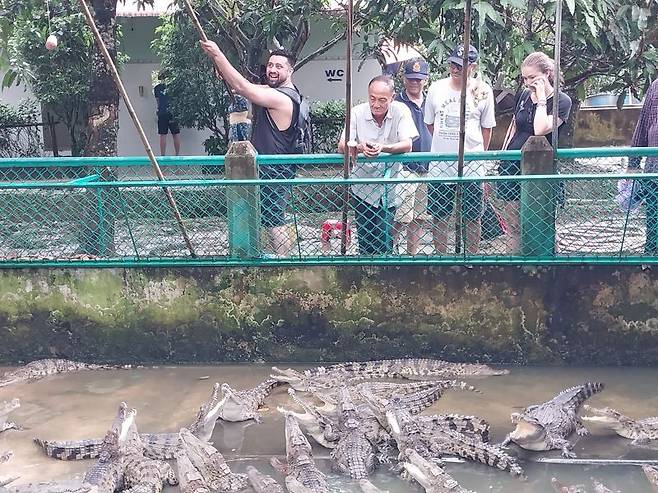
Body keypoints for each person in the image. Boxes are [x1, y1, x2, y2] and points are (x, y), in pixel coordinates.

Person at [200, 42, 303, 256]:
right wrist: (225, 72)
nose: (272, 70)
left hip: (275, 168)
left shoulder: (282, 97)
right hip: (270, 167)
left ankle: (285, 263)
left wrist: (219, 54)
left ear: (290, 70)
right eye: (270, 65)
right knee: (268, 215)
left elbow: (245, 89)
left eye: (279, 67)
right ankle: (271, 258)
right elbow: (245, 86)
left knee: (274, 216)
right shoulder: (280, 91)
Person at [424, 45, 496, 255]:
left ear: (472, 67)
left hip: (472, 163)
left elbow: (487, 128)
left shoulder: (483, 91)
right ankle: (441, 258)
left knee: (473, 215)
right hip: (441, 164)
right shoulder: (436, 88)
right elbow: (430, 124)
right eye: (453, 64)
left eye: (461, 65)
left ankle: (471, 257)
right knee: (439, 215)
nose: (455, 69)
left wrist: (477, 154)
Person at [497, 51, 572, 253]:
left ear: (547, 73)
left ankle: (547, 268)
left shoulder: (561, 101)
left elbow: (540, 130)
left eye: (532, 78)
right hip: (512, 165)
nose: (528, 82)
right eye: (525, 78)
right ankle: (513, 268)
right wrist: (502, 157)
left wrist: (541, 100)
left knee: (543, 225)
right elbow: (514, 126)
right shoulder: (522, 95)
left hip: (541, 168)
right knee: (514, 225)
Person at [337, 75, 418, 255]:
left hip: (388, 188)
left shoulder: (401, 111)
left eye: (382, 100)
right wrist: (358, 148)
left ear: (392, 98)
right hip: (362, 186)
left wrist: (384, 148)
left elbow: (407, 144)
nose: (376, 104)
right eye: (372, 98)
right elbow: (342, 145)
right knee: (365, 239)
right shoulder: (357, 112)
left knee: (385, 237)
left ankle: (385, 274)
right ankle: (366, 275)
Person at [392, 58, 433, 255]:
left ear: (425, 79)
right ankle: (389, 251)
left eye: (418, 79)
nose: (414, 83)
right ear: (404, 79)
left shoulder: (431, 101)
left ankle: (412, 256)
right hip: (404, 167)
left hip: (428, 167)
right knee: (400, 217)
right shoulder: (396, 102)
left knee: (419, 217)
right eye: (410, 79)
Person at [628, 78, 658, 254]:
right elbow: (644, 123)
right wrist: (633, 163)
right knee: (654, 220)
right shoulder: (656, 85)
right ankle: (651, 258)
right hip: (654, 169)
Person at [153, 71, 181, 156]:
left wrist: (158, 109)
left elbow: (158, 101)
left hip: (162, 113)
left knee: (163, 134)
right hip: (173, 112)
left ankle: (163, 155)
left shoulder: (157, 88)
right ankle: (177, 155)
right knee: (175, 134)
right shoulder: (173, 87)